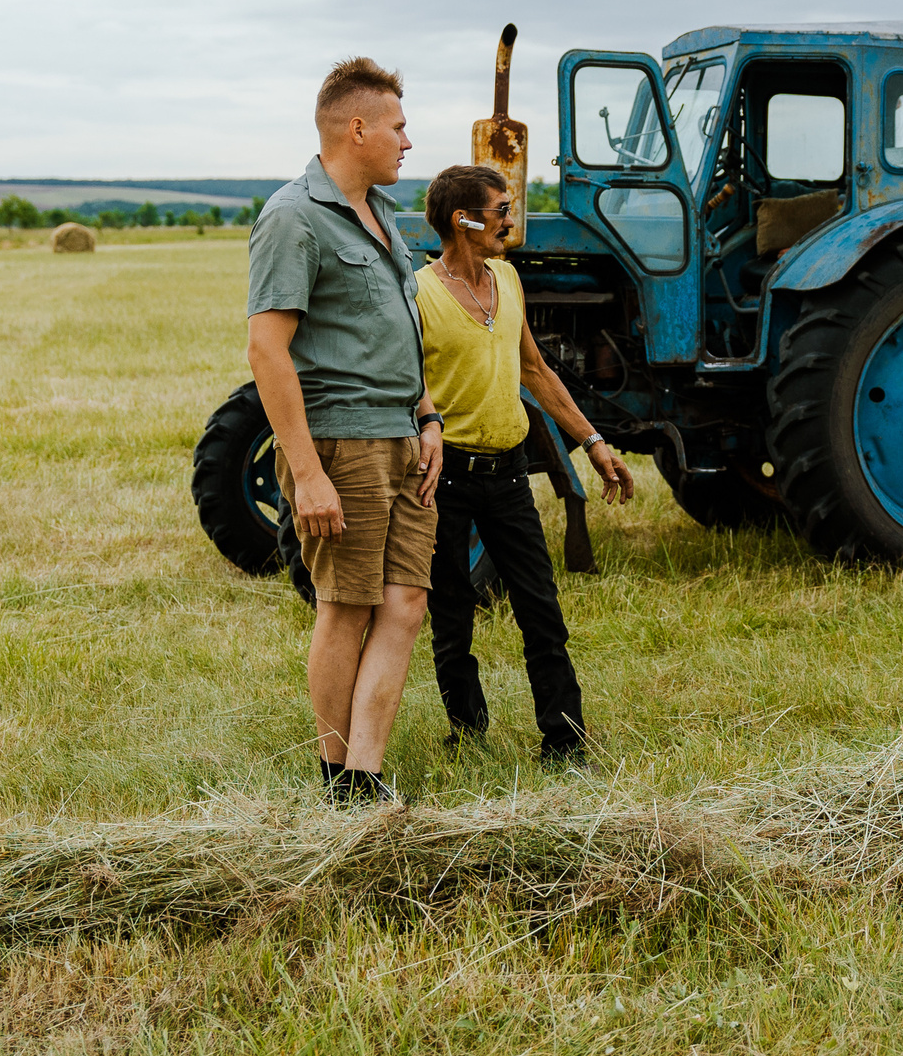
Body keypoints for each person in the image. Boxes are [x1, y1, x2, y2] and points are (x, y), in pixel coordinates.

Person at [245, 58, 448, 805]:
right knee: (347, 605)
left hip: (402, 437)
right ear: (356, 127)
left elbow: (399, 328)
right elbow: (267, 349)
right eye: (398, 126)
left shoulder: (382, 216)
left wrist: (427, 416)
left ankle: (367, 770)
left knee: (405, 604)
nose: (408, 141)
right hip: (343, 440)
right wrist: (308, 471)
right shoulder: (294, 216)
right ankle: (337, 777)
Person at [416, 163, 633, 762]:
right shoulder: (420, 293)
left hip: (508, 471)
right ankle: (468, 732)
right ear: (462, 221)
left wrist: (592, 441)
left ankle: (566, 742)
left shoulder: (507, 280)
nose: (510, 221)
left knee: (540, 608)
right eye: (500, 210)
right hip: (447, 478)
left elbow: (535, 370)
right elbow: (408, 384)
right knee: (452, 614)